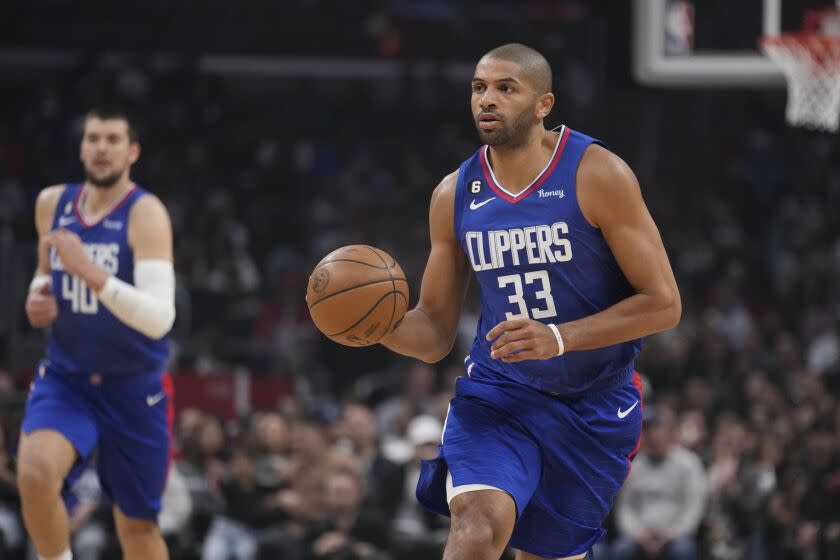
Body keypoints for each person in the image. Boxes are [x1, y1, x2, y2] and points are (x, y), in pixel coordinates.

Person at [378, 43, 681, 560]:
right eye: (478, 88)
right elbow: (432, 334)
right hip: (500, 394)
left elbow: (663, 303)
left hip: (594, 405)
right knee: (475, 527)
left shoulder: (596, 173)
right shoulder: (454, 194)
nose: (486, 100)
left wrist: (559, 338)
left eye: (505, 88)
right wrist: (373, 329)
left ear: (545, 104)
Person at [19, 106, 176, 560]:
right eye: (93, 138)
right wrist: (37, 297)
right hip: (68, 378)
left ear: (132, 151)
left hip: (133, 387)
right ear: (82, 147)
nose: (101, 148)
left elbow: (159, 318)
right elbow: (44, 272)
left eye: (112, 139)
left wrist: (89, 272)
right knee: (34, 474)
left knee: (138, 527)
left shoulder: (146, 214)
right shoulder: (53, 204)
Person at [612, 407, 707, 560]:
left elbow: (693, 507)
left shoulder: (689, 463)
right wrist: (637, 534)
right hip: (640, 536)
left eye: (657, 428)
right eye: (648, 430)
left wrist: (672, 534)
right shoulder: (634, 465)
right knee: (621, 549)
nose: (653, 435)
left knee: (682, 551)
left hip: (675, 536)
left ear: (670, 433)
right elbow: (625, 508)